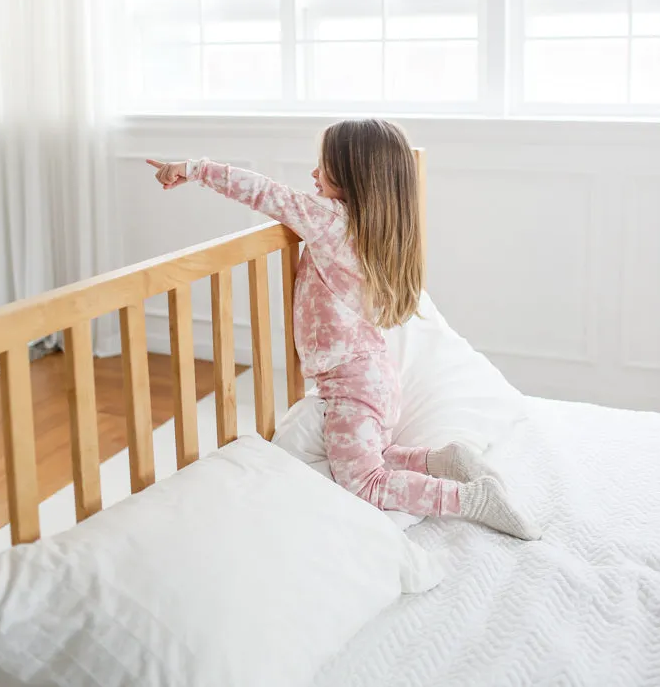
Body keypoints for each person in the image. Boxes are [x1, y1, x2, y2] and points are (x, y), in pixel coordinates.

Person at [147, 118, 540, 540]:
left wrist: (192, 168)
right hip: (373, 378)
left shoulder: (331, 222)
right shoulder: (375, 228)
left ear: (354, 174)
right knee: (375, 455)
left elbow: (263, 191)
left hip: (351, 385)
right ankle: (443, 461)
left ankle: (470, 500)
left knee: (365, 482)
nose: (314, 174)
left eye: (325, 166)